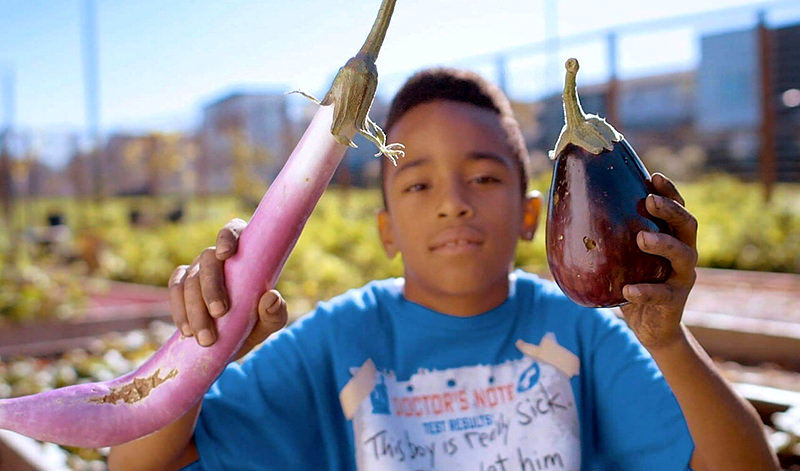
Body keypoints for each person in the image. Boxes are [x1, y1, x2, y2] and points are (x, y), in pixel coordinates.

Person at [108, 68, 778, 471]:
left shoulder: (582, 335)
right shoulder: (335, 343)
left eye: (483, 176)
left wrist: (667, 339)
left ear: (535, 214)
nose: (454, 202)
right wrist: (203, 347)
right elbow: (142, 462)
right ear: (385, 229)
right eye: (418, 185)